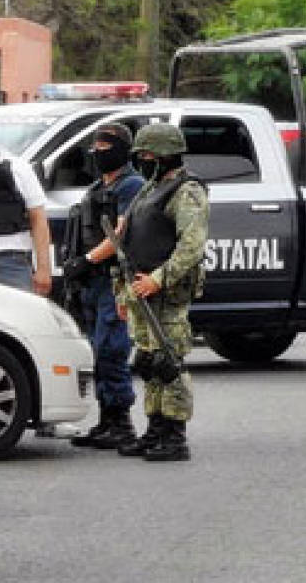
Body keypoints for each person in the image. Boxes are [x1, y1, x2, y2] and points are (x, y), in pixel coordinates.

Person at [113, 123, 209, 462]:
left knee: (169, 362)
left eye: (149, 155)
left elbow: (192, 246)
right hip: (141, 291)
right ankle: (155, 430)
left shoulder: (187, 192)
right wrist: (124, 292)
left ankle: (174, 436)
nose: (143, 161)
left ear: (168, 155)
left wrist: (158, 279)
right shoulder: (149, 189)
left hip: (166, 294)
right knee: (149, 363)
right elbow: (127, 242)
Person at [63, 124, 146, 449]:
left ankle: (121, 424)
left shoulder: (132, 186)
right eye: (95, 144)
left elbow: (120, 235)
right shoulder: (98, 187)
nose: (99, 150)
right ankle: (106, 421)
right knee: (98, 352)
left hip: (114, 280)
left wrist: (88, 259)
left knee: (112, 350)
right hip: (93, 284)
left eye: (106, 145)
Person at [0, 144, 51, 295]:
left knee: (17, 317)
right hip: (12, 264)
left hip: (10, 263)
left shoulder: (18, 168)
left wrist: (43, 269)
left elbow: (38, 219)